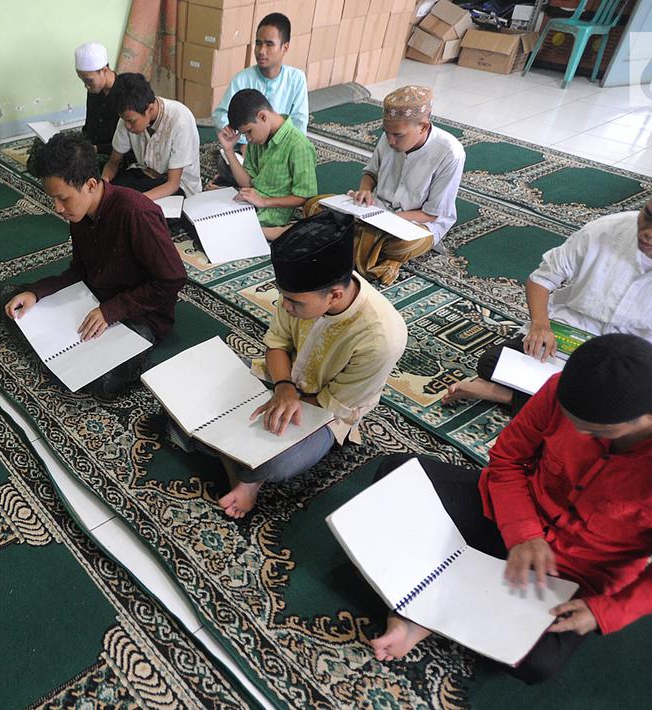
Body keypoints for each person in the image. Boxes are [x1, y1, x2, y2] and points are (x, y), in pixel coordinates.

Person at [370, 334, 652, 684]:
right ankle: (441, 603)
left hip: (575, 573)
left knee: (536, 663)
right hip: (510, 513)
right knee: (397, 474)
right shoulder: (564, 388)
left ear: (650, 415)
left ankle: (430, 606)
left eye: (593, 433)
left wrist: (603, 612)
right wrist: (523, 533)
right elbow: (508, 460)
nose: (579, 434)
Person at [443, 154, 652, 413]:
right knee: (493, 363)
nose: (650, 234)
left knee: (638, 410)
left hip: (628, 355)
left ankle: (506, 395)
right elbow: (542, 278)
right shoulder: (608, 229)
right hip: (566, 334)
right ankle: (559, 404)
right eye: (649, 216)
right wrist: (540, 324)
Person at [173, 213, 406, 518]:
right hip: (276, 379)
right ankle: (242, 466)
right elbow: (277, 344)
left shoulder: (381, 337)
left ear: (334, 295)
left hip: (324, 413)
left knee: (277, 463)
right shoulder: (299, 295)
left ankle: (243, 469)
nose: (285, 307)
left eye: (294, 303)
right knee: (187, 388)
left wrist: (287, 401)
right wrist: (282, 388)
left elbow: (333, 405)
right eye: (284, 297)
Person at [3, 133, 186, 397]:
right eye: (53, 198)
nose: (57, 207)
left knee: (103, 383)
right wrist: (37, 292)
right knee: (12, 301)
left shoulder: (137, 213)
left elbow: (172, 280)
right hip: (94, 299)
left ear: (90, 184)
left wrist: (112, 310)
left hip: (140, 316)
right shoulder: (81, 213)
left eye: (63, 198)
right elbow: (80, 270)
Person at [335, 85, 464, 285]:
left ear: (423, 126)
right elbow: (370, 173)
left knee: (401, 244)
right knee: (319, 207)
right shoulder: (389, 136)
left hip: (420, 223)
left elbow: (431, 213)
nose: (390, 140)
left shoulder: (449, 152)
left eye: (398, 135)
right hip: (377, 210)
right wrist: (365, 191)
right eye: (386, 132)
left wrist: (386, 219)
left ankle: (375, 251)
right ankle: (382, 258)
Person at [210, 12, 309, 187]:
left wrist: (283, 150)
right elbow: (220, 116)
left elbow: (300, 123)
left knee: (299, 167)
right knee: (227, 160)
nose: (261, 51)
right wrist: (244, 141)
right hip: (246, 147)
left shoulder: (296, 79)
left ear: (285, 47)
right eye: (258, 43)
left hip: (281, 150)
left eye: (269, 44)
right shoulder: (242, 79)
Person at [216, 88, 317, 240]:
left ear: (263, 116)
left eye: (249, 131)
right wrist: (229, 150)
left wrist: (264, 201)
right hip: (252, 204)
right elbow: (248, 183)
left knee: (223, 230)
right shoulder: (258, 140)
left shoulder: (298, 145)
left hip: (272, 214)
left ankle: (279, 232)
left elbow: (305, 196)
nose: (248, 139)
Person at [101, 72, 202, 200]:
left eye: (131, 121)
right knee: (112, 197)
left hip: (176, 185)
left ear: (150, 109)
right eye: (124, 120)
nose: (127, 126)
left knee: (138, 212)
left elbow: (173, 184)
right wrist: (103, 185)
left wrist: (138, 201)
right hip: (145, 173)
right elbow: (113, 162)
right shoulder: (129, 116)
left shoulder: (180, 120)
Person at [75, 42, 119, 156]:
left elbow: (130, 144)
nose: (86, 86)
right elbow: (89, 127)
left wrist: (97, 149)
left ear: (104, 70)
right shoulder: (94, 90)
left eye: (89, 80)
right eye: (83, 80)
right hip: (92, 150)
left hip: (114, 155)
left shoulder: (125, 93)